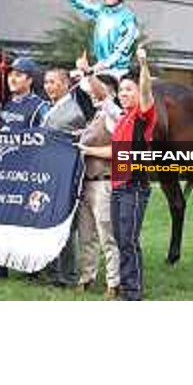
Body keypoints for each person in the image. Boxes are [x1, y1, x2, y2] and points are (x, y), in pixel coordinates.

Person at [77, 47, 156, 300]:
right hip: (119, 188)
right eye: (121, 90)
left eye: (128, 90)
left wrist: (143, 65)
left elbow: (145, 93)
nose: (123, 94)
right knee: (122, 241)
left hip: (135, 187)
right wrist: (88, 73)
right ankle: (124, 289)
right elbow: (102, 95)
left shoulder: (143, 116)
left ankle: (133, 293)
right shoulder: (121, 118)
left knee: (129, 242)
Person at [0, 56, 50, 278]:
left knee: (26, 221)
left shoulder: (40, 106)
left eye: (18, 75)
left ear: (30, 80)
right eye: (10, 74)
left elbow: (44, 139)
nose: (12, 78)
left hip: (26, 173)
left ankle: (31, 268)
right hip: (2, 170)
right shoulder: (3, 103)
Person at [73, 56, 122, 299]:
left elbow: (117, 152)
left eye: (96, 89)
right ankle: (87, 277)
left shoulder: (114, 116)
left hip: (103, 182)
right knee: (87, 235)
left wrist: (87, 150)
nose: (91, 94)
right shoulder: (96, 117)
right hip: (88, 183)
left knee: (106, 236)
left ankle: (114, 282)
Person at [41, 68, 93, 287]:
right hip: (49, 174)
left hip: (65, 177)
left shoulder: (73, 112)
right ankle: (53, 272)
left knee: (65, 226)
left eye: (52, 82)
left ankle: (68, 275)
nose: (48, 86)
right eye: (46, 82)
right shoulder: (50, 109)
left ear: (64, 84)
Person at [67, 0, 138, 76]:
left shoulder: (128, 18)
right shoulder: (101, 11)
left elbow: (122, 49)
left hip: (118, 72)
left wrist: (98, 67)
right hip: (99, 69)